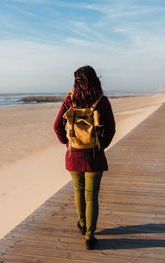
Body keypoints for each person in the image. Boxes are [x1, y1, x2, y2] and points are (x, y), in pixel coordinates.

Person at [54, 65, 116, 249]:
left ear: (76, 82)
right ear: (95, 80)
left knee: (78, 190)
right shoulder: (102, 101)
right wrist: (101, 145)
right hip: (94, 156)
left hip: (74, 155)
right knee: (91, 197)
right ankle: (90, 236)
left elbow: (57, 126)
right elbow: (111, 129)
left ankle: (81, 224)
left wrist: (67, 143)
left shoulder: (70, 101)